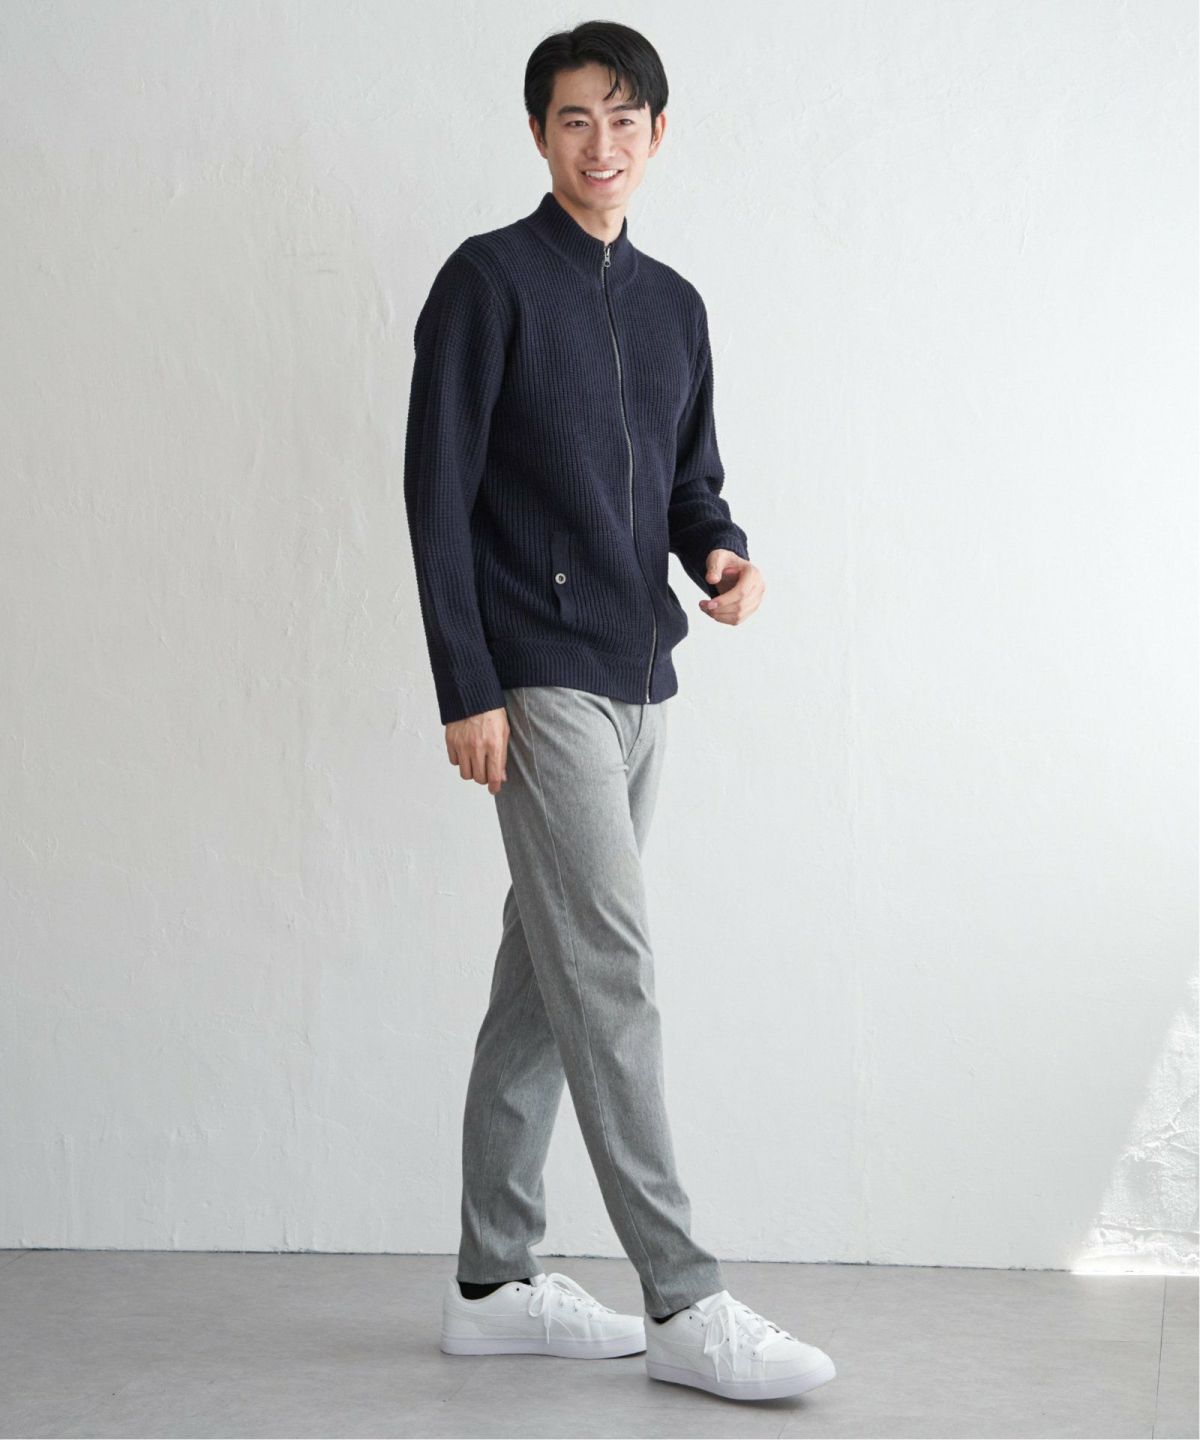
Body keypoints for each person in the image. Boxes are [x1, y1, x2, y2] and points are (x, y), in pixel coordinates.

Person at [403, 19, 836, 1404]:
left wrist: (723, 555)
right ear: (539, 133)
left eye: (625, 118)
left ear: (658, 133)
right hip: (536, 679)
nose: (602, 144)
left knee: (546, 977)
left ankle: (491, 1282)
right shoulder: (487, 283)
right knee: (614, 974)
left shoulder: (675, 306)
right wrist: (466, 685)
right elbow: (436, 497)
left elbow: (693, 482)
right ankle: (684, 1297)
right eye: (575, 119)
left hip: (643, 677)